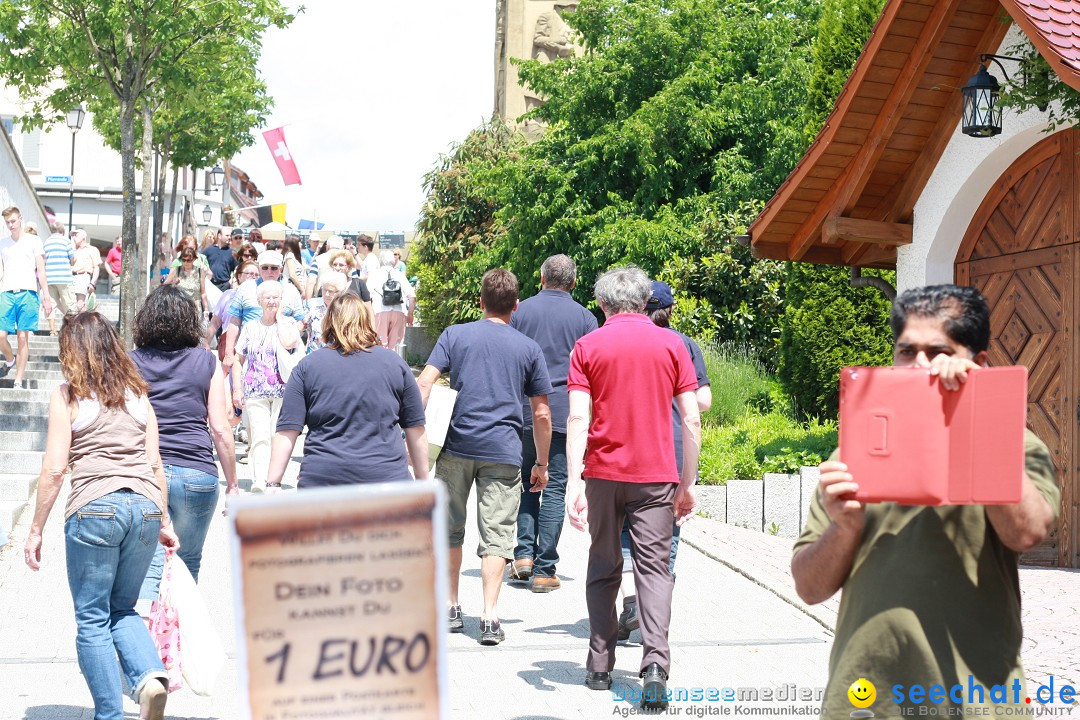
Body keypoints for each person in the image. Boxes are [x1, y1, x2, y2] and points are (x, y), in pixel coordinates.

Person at [790, 284, 1058, 718]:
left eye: (939, 352)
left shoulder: (1015, 445)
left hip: (976, 701)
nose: (920, 366)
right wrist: (844, 527)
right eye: (906, 351)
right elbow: (809, 587)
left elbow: (1026, 532)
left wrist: (975, 416)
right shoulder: (854, 454)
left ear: (978, 362)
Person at [23, 311, 179, 720]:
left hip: (96, 505)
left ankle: (109, 715)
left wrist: (35, 530)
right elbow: (155, 463)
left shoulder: (68, 394)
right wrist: (164, 521)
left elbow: (55, 468)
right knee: (123, 608)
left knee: (92, 617)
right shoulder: (139, 395)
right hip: (144, 505)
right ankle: (149, 681)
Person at [565, 265, 701, 709]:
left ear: (602, 305)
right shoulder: (671, 344)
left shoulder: (587, 346)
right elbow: (692, 418)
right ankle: (656, 665)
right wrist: (689, 481)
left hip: (603, 473)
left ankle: (599, 664)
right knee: (654, 569)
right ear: (645, 303)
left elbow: (577, 418)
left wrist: (573, 482)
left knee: (604, 564)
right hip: (657, 474)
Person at [417, 268, 554, 646]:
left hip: (455, 447)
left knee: (448, 528)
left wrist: (415, 435)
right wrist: (541, 463)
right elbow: (541, 413)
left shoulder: (454, 335)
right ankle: (490, 617)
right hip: (504, 451)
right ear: (516, 306)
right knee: (498, 535)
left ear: (480, 302)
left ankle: (450, 606)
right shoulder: (528, 348)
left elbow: (425, 382)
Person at [617, 280, 711, 639]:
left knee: (626, 531)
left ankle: (630, 604)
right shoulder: (683, 344)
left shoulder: (624, 340)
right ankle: (653, 613)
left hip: (629, 450)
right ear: (670, 310)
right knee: (667, 535)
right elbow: (703, 402)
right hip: (672, 450)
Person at [131, 285, 237, 605]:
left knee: (149, 562)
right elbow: (219, 429)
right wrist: (232, 482)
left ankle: (147, 642)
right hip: (197, 473)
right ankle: (180, 640)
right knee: (188, 560)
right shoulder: (207, 362)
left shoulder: (131, 361)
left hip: (147, 471)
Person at [267, 292, 429, 489]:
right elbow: (415, 428)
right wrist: (423, 483)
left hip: (324, 482)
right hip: (387, 481)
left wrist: (272, 484)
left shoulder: (307, 366)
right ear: (367, 322)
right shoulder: (395, 364)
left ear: (329, 322)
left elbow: (287, 430)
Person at [507, 254, 597, 592]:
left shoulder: (521, 312)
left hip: (523, 411)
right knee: (555, 486)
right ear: (573, 283)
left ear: (541, 279)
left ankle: (523, 556)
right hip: (563, 413)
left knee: (527, 482)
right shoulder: (586, 319)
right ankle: (545, 569)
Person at [230, 281, 301, 493]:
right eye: (267, 298)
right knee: (259, 435)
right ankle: (259, 479)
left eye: (275, 297)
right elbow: (237, 359)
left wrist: (279, 319)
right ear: (259, 301)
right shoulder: (251, 327)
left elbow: (289, 343)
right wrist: (237, 390)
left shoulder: (288, 323)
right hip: (255, 390)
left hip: (283, 390)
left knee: (275, 435)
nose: (271, 301)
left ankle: (273, 479)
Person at [222, 250, 305, 370]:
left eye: (274, 268)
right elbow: (234, 321)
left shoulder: (291, 290)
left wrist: (290, 341)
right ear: (259, 268)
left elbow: (300, 322)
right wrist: (229, 353)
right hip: (249, 353)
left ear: (281, 269)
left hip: (281, 357)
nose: (269, 272)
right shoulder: (246, 288)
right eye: (265, 267)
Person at [0, 206, 53, 382]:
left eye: (13, 221)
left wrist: (46, 296)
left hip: (28, 293)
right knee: (1, 335)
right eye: (7, 222)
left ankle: (18, 379)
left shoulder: (34, 241)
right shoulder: (3, 243)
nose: (10, 225)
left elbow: (42, 270)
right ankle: (10, 360)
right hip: (6, 293)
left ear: (20, 218)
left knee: (23, 337)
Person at [368, 250, 415, 350]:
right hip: (399, 311)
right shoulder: (400, 275)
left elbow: (367, 295)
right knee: (396, 346)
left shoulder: (375, 274)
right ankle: (395, 364)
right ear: (393, 261)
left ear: (380, 261)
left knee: (380, 344)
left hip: (380, 311)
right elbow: (412, 297)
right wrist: (410, 314)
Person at [42, 221, 76, 336]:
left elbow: (44, 260)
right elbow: (72, 260)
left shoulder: (46, 242)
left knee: (51, 304)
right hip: (64, 278)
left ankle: (53, 330)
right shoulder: (66, 241)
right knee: (69, 303)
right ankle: (71, 330)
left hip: (50, 278)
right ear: (62, 231)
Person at [303, 271, 347, 354]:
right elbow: (303, 327)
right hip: (314, 354)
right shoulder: (311, 305)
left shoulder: (346, 308)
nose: (326, 294)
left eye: (331, 291)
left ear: (340, 292)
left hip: (338, 355)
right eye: (324, 289)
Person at [165, 246, 211, 318]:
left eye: (188, 260)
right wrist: (173, 283)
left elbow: (203, 293)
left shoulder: (199, 272)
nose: (186, 262)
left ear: (194, 259)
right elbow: (165, 286)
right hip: (178, 309)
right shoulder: (177, 270)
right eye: (183, 260)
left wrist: (206, 309)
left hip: (195, 309)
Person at [306, 235, 345, 299]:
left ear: (327, 247)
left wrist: (308, 303)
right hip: (342, 299)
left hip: (322, 297)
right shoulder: (348, 260)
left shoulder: (318, 259)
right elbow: (354, 282)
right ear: (343, 247)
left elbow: (311, 282)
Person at [71, 229, 101, 312]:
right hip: (71, 277)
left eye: (76, 235)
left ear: (83, 237)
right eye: (72, 235)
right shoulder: (73, 251)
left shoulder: (92, 249)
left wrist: (93, 283)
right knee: (71, 305)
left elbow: (96, 267)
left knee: (80, 304)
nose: (73, 237)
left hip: (83, 277)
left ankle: (82, 324)